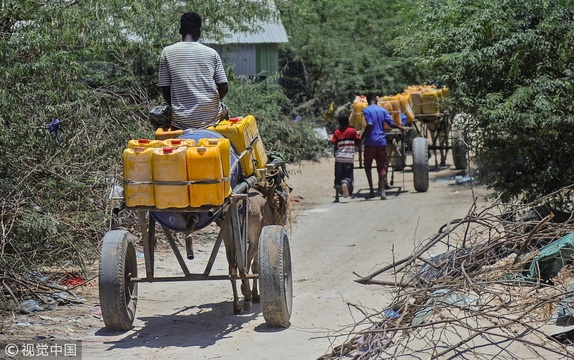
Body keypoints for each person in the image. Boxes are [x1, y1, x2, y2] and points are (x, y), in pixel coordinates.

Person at [158, 12, 229, 130]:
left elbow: (165, 90)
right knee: (225, 110)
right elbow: (224, 88)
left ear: (180, 31)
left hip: (181, 121)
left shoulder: (167, 52)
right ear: (199, 32)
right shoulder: (212, 53)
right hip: (211, 120)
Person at [361, 93, 403, 199]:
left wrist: (362, 137)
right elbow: (391, 123)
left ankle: (371, 190)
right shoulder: (383, 110)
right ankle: (382, 192)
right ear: (376, 101)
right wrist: (400, 128)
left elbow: (369, 124)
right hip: (381, 142)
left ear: (367, 101)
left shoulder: (366, 110)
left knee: (367, 166)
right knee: (382, 167)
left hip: (370, 143)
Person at [331, 112, 360, 202]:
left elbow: (335, 145)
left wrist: (335, 154)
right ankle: (345, 183)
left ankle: (336, 197)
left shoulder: (336, 132)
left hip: (339, 157)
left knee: (337, 176)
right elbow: (357, 141)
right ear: (348, 121)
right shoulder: (352, 131)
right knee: (347, 175)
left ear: (339, 122)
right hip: (348, 158)